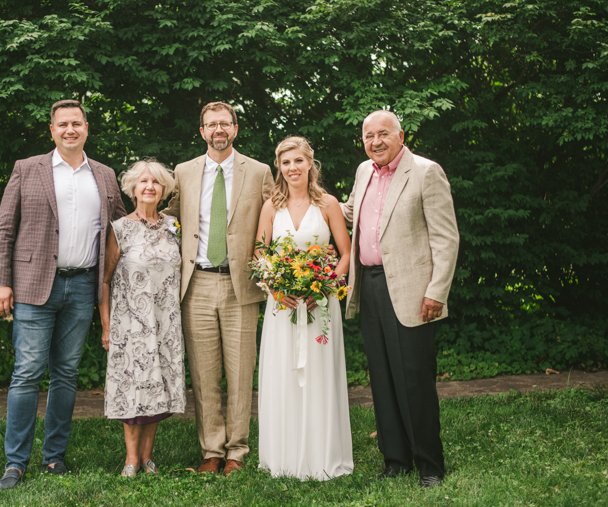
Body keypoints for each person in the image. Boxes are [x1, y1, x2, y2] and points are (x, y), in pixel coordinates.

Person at [0, 99, 126, 489]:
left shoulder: (104, 175)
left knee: (66, 375)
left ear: (87, 128)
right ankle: (15, 463)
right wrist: (0, 281)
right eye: (62, 124)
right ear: (52, 130)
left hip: (83, 285)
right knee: (27, 374)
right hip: (33, 286)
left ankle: (54, 457)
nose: (70, 129)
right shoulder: (26, 169)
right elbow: (4, 229)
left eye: (77, 123)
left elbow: (120, 231)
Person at [341, 110, 459, 488]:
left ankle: (430, 466)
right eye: (368, 136)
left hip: (413, 291)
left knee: (413, 380)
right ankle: (395, 460)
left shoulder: (425, 172)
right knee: (382, 378)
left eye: (383, 134)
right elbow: (349, 214)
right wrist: (308, 196)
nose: (375, 142)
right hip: (371, 286)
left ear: (401, 135)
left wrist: (436, 291)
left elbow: (446, 237)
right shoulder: (363, 172)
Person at [163, 101, 274, 476]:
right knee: (204, 374)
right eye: (211, 125)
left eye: (225, 123)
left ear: (236, 129)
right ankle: (211, 449)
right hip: (195, 285)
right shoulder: (183, 171)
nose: (218, 130)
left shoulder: (259, 172)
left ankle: (236, 451)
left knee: (242, 373)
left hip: (240, 284)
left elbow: (280, 215)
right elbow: (169, 216)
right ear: (202, 132)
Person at [254, 136, 354, 480]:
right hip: (282, 306)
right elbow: (259, 254)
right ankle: (282, 457)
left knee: (317, 376)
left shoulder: (328, 204)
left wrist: (325, 285)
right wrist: (274, 288)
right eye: (285, 163)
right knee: (284, 374)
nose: (292, 168)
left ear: (310, 163)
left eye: (298, 161)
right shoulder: (271, 206)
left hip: (319, 306)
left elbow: (345, 254)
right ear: (279, 168)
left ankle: (321, 456)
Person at [98, 159, 187, 477]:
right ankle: (130, 459)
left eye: (156, 182)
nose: (149, 187)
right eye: (143, 182)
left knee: (157, 391)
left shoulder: (174, 226)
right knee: (133, 390)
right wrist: (107, 325)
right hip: (130, 325)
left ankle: (148, 458)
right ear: (133, 188)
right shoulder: (119, 229)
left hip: (166, 324)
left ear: (164, 190)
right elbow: (105, 280)